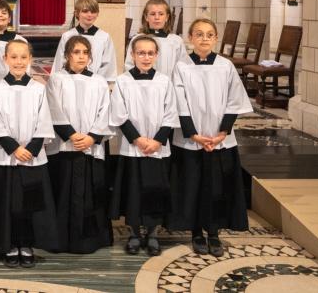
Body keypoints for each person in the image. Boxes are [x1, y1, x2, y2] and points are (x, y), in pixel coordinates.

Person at [168, 18, 253, 257]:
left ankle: (214, 232)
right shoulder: (181, 67)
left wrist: (221, 133)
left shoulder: (225, 66)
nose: (204, 39)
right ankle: (196, 231)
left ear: (216, 39)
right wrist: (193, 135)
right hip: (190, 140)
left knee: (217, 187)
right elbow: (179, 102)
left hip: (219, 139)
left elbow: (234, 101)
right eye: (199, 34)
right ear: (190, 38)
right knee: (193, 185)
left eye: (209, 34)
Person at [0, 39, 57, 268]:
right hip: (6, 157)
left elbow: (44, 120)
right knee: (8, 204)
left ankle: (26, 244)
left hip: (32, 158)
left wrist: (31, 149)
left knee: (29, 204)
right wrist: (14, 148)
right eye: (13, 57)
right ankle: (9, 244)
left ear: (30, 60)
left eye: (23, 57)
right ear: (5, 59)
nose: (18, 62)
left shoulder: (38, 88)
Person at [109, 35, 178, 257]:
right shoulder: (123, 81)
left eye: (150, 53)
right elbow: (119, 114)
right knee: (134, 191)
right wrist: (138, 140)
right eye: (141, 53)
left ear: (156, 56)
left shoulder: (164, 81)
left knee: (154, 191)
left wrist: (157, 140)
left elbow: (171, 114)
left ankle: (153, 233)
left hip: (157, 148)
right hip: (133, 148)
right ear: (133, 55)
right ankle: (134, 233)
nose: (145, 57)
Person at [46, 35, 114, 253]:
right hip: (66, 147)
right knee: (64, 191)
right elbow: (53, 108)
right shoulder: (57, 79)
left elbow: (105, 110)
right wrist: (72, 135)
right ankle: (63, 240)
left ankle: (91, 239)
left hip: (90, 146)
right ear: (67, 55)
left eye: (85, 53)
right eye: (76, 52)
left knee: (92, 194)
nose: (81, 57)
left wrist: (92, 137)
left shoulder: (99, 81)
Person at [51, 0, 117, 83]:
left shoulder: (104, 37)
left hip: (94, 83)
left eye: (93, 11)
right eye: (85, 11)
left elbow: (108, 64)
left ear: (97, 14)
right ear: (77, 13)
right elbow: (60, 61)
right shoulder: (67, 36)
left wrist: (97, 81)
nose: (89, 15)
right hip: (70, 81)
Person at [125, 0, 188, 76]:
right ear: (146, 17)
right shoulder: (138, 39)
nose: (157, 18)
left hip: (169, 86)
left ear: (167, 17)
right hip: (142, 84)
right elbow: (129, 65)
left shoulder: (176, 41)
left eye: (161, 14)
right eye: (152, 14)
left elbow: (183, 68)